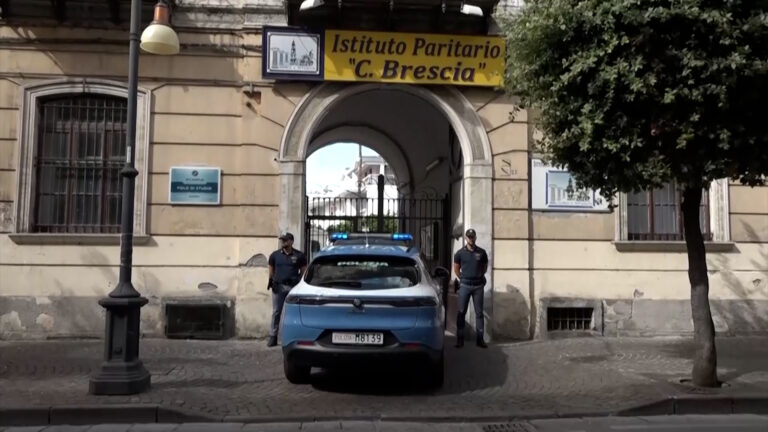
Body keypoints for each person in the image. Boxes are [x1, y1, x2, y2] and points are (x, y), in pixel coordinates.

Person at [267, 232, 307, 347]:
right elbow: (271, 269)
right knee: (276, 312)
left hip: (293, 288)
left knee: (295, 312)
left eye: (285, 240)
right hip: (278, 287)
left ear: (291, 241)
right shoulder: (274, 255)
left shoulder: (299, 256)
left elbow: (303, 272)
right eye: (282, 240)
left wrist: (299, 284)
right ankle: (273, 337)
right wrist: (271, 280)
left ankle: (296, 336)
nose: (283, 242)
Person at [453, 228, 488, 348]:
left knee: (479, 313)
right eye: (469, 237)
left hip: (478, 286)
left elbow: (484, 267)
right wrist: (463, 278)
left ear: (475, 238)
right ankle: (460, 339)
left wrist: (478, 275)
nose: (471, 239)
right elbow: (456, 269)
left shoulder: (482, 253)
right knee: (461, 312)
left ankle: (480, 339)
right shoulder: (460, 253)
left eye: (473, 237)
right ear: (466, 238)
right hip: (465, 286)